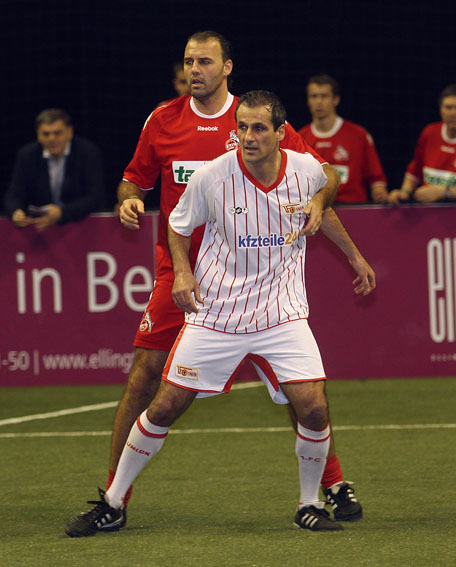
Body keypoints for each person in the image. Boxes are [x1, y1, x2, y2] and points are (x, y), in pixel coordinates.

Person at [65, 31, 367, 537]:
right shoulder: (164, 121)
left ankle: (327, 487)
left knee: (305, 395)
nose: (194, 70)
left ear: (227, 67)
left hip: (266, 284)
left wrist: (347, 244)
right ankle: (114, 498)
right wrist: (128, 198)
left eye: (204, 61)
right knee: (148, 378)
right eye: (188, 62)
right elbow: (135, 180)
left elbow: (315, 180)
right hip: (187, 273)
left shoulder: (256, 118)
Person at [4, 108, 104, 230]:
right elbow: (13, 196)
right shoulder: (26, 155)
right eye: (46, 134)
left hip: (81, 227)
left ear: (70, 132)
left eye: (57, 133)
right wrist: (15, 212)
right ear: (38, 135)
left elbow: (95, 197)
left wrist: (62, 213)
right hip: (39, 230)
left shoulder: (88, 153)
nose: (52, 139)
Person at [298, 74, 388, 204]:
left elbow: (377, 179)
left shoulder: (359, 135)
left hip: (354, 208)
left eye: (324, 96)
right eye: (314, 96)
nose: (319, 101)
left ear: (336, 99)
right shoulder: (300, 138)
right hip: (314, 210)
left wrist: (379, 193)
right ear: (308, 100)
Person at [388, 84, 456, 205]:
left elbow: (441, 193)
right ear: (440, 109)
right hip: (427, 211)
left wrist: (445, 192)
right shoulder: (430, 132)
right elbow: (415, 170)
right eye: (448, 107)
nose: (453, 113)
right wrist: (404, 193)